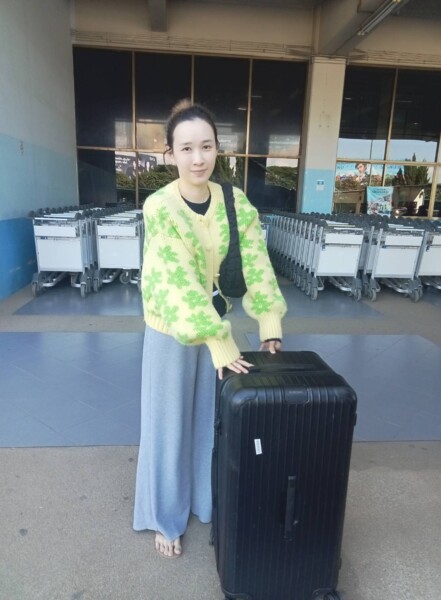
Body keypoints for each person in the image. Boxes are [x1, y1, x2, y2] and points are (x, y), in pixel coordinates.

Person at [133, 100, 287, 558]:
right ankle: (166, 517)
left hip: (217, 328)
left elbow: (256, 263)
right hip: (171, 331)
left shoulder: (234, 202)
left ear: (219, 148)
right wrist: (220, 341)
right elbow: (176, 281)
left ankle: (204, 501)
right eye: (186, 148)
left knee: (210, 422)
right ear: (170, 153)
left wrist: (269, 322)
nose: (198, 158)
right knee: (168, 425)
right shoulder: (160, 207)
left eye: (206, 146)